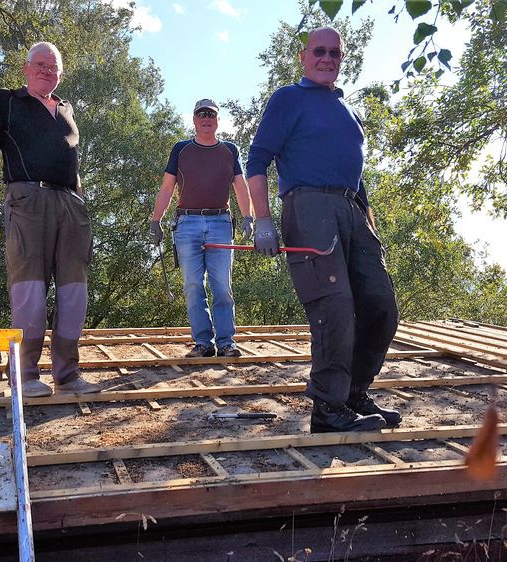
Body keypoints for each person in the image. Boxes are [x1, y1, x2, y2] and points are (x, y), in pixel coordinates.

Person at [245, 27, 401, 433]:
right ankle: (328, 410)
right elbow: (256, 160)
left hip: (352, 209)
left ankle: (353, 394)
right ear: (303, 56)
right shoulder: (288, 98)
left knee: (381, 306)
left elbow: (356, 175)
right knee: (335, 307)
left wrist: (369, 225)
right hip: (309, 206)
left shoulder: (345, 108)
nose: (327, 58)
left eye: (335, 53)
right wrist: (263, 221)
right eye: (319, 51)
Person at [0, 41, 100, 398]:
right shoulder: (7, 101)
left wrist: (80, 203)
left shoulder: (67, 110)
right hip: (27, 200)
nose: (46, 70)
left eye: (52, 66)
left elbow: (72, 164)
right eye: (40, 64)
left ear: (61, 74)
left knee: (74, 293)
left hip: (70, 205)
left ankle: (67, 376)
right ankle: (24, 375)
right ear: (26, 68)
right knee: (29, 292)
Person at [150, 99, 253, 358]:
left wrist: (248, 217)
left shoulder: (229, 150)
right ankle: (203, 343)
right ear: (194, 120)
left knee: (222, 286)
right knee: (193, 285)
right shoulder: (181, 149)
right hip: (187, 223)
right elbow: (167, 187)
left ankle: (227, 343)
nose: (206, 118)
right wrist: (155, 220)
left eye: (211, 114)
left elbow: (240, 186)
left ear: (217, 120)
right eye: (201, 114)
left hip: (220, 223)